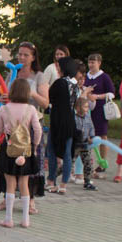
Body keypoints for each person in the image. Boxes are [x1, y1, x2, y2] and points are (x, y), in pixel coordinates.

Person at [0, 79, 41, 228]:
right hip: (25, 151)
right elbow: (38, 129)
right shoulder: (31, 109)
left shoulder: (4, 108)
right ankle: (25, 219)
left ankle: (8, 219)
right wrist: (34, 145)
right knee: (24, 183)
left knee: (10, 183)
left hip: (9, 149)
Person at [47, 57, 86, 193]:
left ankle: (51, 181)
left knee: (52, 150)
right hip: (70, 119)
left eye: (58, 66)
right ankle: (63, 185)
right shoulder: (75, 85)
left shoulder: (59, 83)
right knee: (67, 152)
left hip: (57, 119)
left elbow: (49, 98)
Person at [84, 53, 116, 178]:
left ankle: (102, 161)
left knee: (102, 135)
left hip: (100, 110)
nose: (91, 65)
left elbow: (112, 93)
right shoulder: (86, 76)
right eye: (90, 62)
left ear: (99, 63)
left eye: (94, 62)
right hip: (87, 109)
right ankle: (89, 160)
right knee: (88, 135)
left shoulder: (104, 77)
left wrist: (97, 96)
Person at [73, 96, 97, 191]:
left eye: (87, 107)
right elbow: (74, 131)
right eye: (85, 107)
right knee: (69, 163)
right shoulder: (74, 118)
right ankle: (53, 178)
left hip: (86, 145)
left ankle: (87, 182)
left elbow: (91, 127)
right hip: (76, 145)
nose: (87, 109)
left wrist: (92, 136)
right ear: (78, 108)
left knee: (88, 164)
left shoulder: (88, 117)